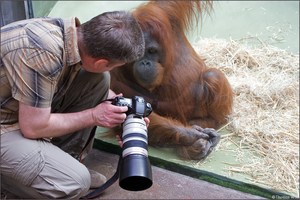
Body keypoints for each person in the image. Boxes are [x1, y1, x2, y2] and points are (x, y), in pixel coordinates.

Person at [1, 11, 147, 199]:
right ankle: (9, 184)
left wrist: (123, 112)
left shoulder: (69, 35)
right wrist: (95, 115)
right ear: (101, 61)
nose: (110, 70)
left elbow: (90, 86)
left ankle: (61, 163)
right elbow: (33, 127)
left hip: (15, 108)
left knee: (99, 80)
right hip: (6, 124)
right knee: (74, 183)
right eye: (112, 66)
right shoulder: (41, 53)